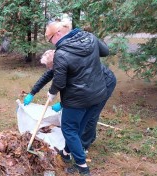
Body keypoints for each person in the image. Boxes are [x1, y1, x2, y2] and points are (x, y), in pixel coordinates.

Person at [44, 21, 109, 175]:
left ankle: (83, 168)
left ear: (58, 33)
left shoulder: (61, 53)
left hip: (77, 99)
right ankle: (66, 154)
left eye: (49, 38)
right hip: (97, 94)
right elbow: (105, 51)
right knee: (78, 128)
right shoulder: (90, 37)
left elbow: (59, 81)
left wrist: (52, 93)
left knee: (69, 129)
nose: (51, 42)